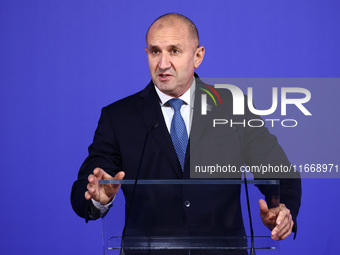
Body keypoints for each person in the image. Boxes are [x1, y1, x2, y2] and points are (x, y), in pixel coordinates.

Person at [71, 13, 301, 254]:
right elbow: (84, 189)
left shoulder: (234, 107)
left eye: (174, 51)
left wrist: (281, 206)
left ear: (198, 56)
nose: (162, 64)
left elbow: (280, 173)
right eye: (155, 51)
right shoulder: (118, 117)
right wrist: (99, 197)